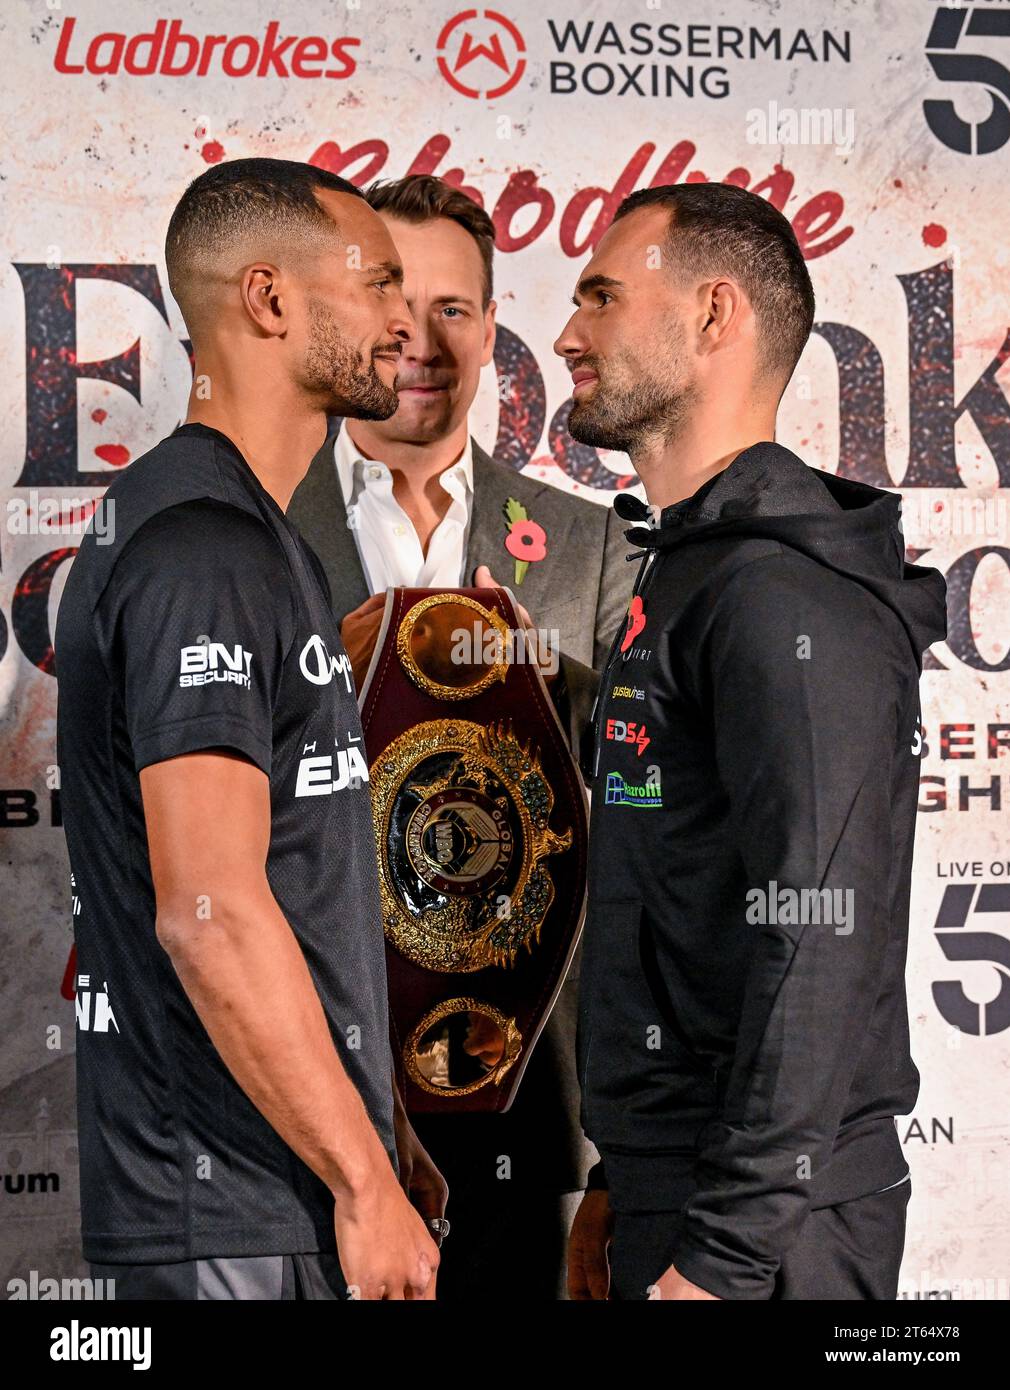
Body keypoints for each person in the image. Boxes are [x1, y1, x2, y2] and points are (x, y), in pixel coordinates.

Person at [54, 157, 447, 1301]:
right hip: (231, 1212)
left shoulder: (244, 533)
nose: (403, 321)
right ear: (268, 300)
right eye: (376, 282)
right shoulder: (202, 547)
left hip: (270, 1192)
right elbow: (209, 914)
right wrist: (361, 1185)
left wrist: (372, 1134)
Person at [555, 181, 947, 1301]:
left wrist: (721, 1253)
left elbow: (814, 941)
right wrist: (625, 1176)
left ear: (713, 314)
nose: (568, 335)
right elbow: (680, 893)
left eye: (599, 296)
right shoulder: (689, 569)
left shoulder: (780, 593)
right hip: (683, 1187)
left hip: (770, 1235)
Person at [287, 174, 636, 1300]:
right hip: (317, 1114)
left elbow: (642, 834)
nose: (420, 338)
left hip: (533, 1118)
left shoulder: (589, 548)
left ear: (492, 329)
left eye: (455, 307)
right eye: (394, 297)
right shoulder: (249, 540)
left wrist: (545, 687)